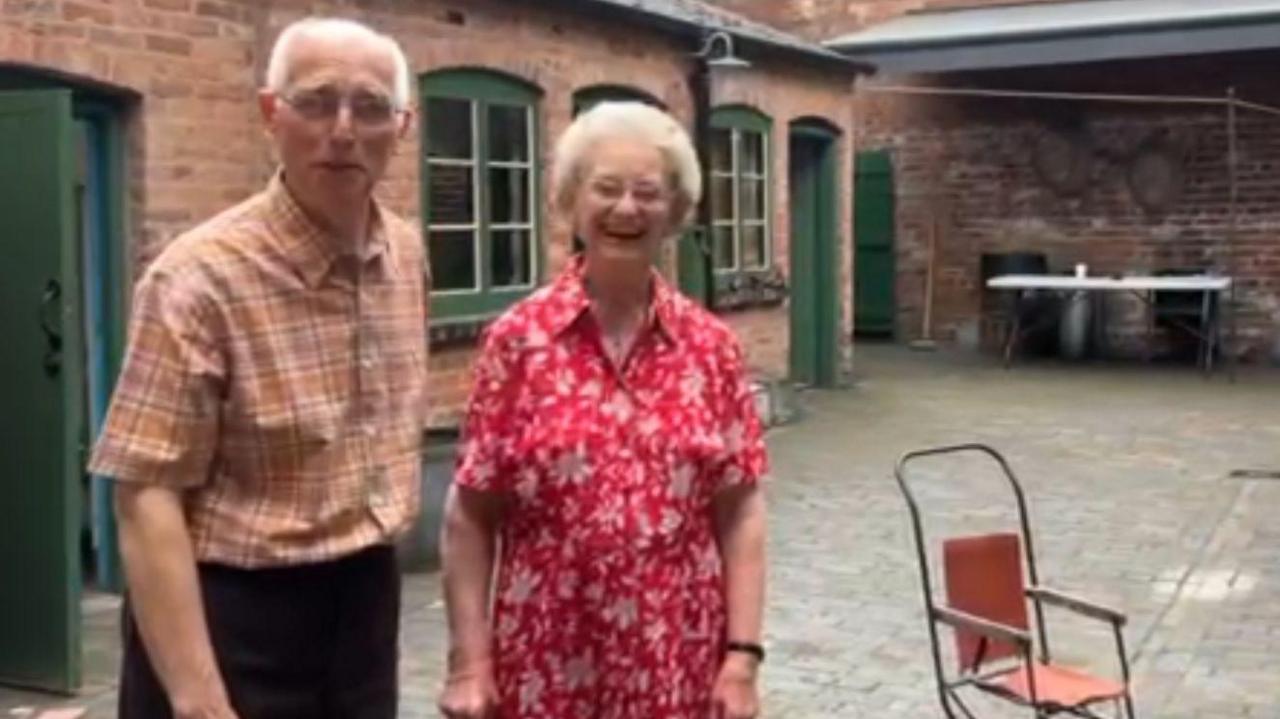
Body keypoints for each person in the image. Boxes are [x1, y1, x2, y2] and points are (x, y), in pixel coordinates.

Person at [88, 17, 425, 719]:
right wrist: (196, 695)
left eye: (368, 107)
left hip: (365, 599)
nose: (342, 129)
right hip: (233, 613)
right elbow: (144, 496)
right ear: (271, 112)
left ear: (402, 126)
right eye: (316, 101)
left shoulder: (405, 254)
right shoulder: (198, 278)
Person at [438, 101, 769, 719]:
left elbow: (741, 509)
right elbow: (470, 515)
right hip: (543, 660)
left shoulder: (711, 347)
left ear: (675, 210)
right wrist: (469, 663)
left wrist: (742, 659)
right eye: (607, 189)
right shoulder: (518, 341)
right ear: (571, 201)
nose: (626, 209)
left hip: (679, 659)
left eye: (648, 192)